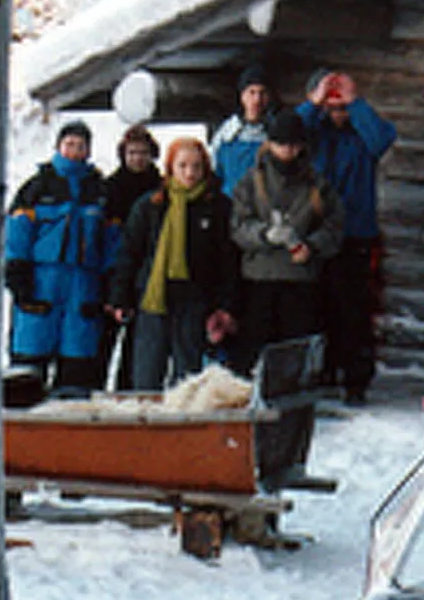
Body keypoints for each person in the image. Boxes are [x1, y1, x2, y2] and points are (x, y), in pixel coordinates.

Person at [297, 68, 397, 404]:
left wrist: (356, 103)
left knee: (354, 312)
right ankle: (323, 371)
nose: (337, 114)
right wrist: (313, 102)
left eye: (341, 108)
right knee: (316, 308)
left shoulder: (363, 136)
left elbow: (383, 138)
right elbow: (288, 132)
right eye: (333, 107)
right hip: (316, 233)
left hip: (355, 235)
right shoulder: (314, 134)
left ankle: (356, 380)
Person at [106, 137, 237, 392]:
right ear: (171, 168)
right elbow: (129, 254)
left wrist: (225, 304)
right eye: (183, 166)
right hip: (153, 298)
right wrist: (120, 297)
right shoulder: (149, 205)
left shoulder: (218, 207)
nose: (190, 173)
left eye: (197, 166)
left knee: (187, 378)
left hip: (195, 300)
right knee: (146, 375)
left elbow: (228, 262)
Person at [229, 107, 344, 374]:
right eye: (281, 144)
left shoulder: (318, 185)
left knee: (295, 355)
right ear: (269, 144)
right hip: (258, 280)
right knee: (252, 355)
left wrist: (312, 246)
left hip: (301, 281)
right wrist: (264, 234)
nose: (287, 151)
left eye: (293, 145)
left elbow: (334, 227)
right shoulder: (250, 182)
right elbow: (237, 227)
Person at [4, 120, 112, 393]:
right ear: (58, 147)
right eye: (69, 145)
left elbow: (112, 239)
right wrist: (17, 270)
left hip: (83, 282)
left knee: (78, 358)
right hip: (43, 279)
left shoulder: (98, 189)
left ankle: (70, 416)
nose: (74, 151)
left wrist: (110, 279)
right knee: (29, 355)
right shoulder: (37, 187)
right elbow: (18, 229)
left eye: (81, 146)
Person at [99, 123, 163, 389]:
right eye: (132, 153)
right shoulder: (110, 187)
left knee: (137, 345)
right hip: (112, 269)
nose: (138, 158)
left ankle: (129, 389)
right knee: (104, 343)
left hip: (146, 271)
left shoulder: (160, 188)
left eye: (143, 153)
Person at [212, 63, 273, 198]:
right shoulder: (226, 134)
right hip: (231, 204)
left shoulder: (275, 132)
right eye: (252, 92)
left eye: (262, 93)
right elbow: (215, 171)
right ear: (242, 96)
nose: (257, 99)